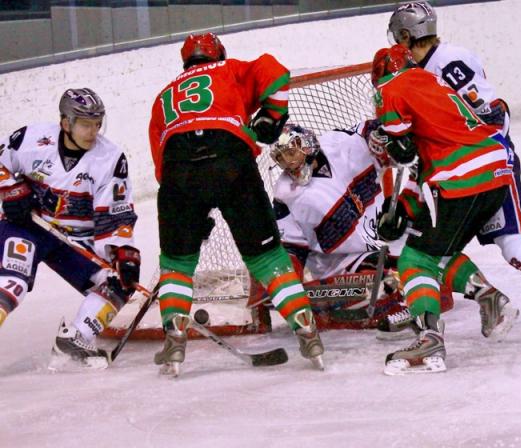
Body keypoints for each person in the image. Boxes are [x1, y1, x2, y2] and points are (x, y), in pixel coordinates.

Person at [385, 1, 521, 350]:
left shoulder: (443, 64)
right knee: (507, 244)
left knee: (439, 251)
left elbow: (490, 115)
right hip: (484, 162)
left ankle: (444, 321)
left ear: (405, 35)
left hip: (478, 167)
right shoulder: (434, 65)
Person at [148, 33, 324, 374]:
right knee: (267, 257)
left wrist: (191, 213)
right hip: (230, 158)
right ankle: (307, 330)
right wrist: (273, 114)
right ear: (219, 54)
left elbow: (161, 163)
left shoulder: (162, 97)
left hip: (178, 171)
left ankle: (174, 343)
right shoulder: (228, 69)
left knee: (177, 263)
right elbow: (275, 70)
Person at [371, 45, 517, 374]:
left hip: (460, 175)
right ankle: (488, 297)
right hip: (495, 168)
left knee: (414, 258)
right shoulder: (431, 82)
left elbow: (405, 153)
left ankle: (429, 337)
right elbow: (423, 154)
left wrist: (396, 208)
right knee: (438, 249)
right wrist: (405, 206)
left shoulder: (389, 88)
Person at [0, 88, 140, 369]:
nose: (93, 131)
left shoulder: (110, 159)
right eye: (86, 124)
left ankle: (75, 338)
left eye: (97, 124)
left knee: (119, 283)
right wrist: (10, 189)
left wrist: (123, 251)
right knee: (11, 284)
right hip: (27, 227)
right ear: (65, 123)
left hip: (72, 240)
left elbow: (114, 213)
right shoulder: (31, 138)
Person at [269, 121, 454, 334]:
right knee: (386, 282)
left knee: (431, 249)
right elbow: (292, 250)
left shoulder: (338, 144)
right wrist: (287, 286)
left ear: (307, 143)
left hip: (381, 237)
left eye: (292, 152)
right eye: (282, 158)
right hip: (342, 263)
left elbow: (369, 130)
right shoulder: (285, 195)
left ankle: (463, 290)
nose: (289, 162)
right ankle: (407, 306)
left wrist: (382, 136)